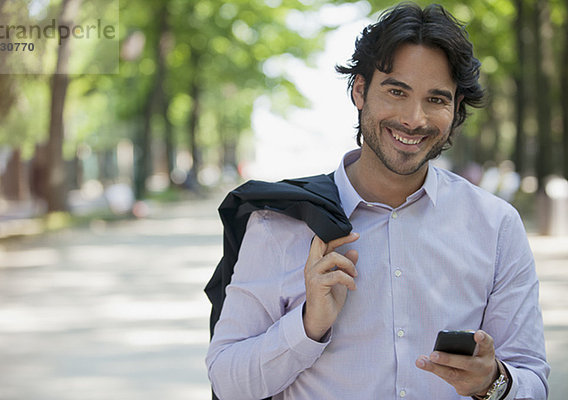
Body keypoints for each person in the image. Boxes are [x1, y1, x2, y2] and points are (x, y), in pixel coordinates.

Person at [206, 3, 549, 399]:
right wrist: (306, 326)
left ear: (456, 111)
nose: (414, 118)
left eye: (436, 99)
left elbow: (532, 382)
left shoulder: (496, 227)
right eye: (396, 91)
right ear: (360, 91)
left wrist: (493, 383)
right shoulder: (279, 224)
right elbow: (227, 382)